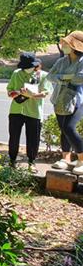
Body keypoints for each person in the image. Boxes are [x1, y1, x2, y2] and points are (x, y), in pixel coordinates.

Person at [6, 53, 51, 170]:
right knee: (13, 137)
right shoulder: (16, 74)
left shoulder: (43, 75)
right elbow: (10, 93)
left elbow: (45, 93)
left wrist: (33, 95)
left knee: (33, 139)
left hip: (34, 111)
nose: (27, 69)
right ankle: (12, 161)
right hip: (16, 110)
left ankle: (31, 162)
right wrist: (19, 92)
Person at [47, 31, 83, 174]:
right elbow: (50, 76)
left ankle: (81, 160)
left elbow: (79, 78)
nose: (63, 45)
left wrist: (60, 77)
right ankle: (65, 159)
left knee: (69, 128)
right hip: (59, 98)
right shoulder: (61, 61)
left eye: (66, 43)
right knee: (63, 129)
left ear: (75, 46)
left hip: (78, 100)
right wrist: (66, 78)